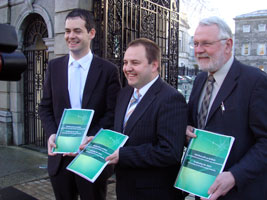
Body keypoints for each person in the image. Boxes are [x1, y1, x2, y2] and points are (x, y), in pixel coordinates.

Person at [39, 8, 121, 200]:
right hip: (60, 158)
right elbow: (45, 107)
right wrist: (51, 133)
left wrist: (93, 137)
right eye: (67, 31)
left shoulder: (108, 70)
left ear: (91, 33)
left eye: (77, 31)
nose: (70, 36)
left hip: (91, 157)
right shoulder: (54, 67)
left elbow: (112, 113)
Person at [186, 16, 267, 200]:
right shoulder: (199, 80)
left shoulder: (255, 82)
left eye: (206, 43)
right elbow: (195, 122)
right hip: (203, 189)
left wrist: (235, 176)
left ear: (228, 45)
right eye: (196, 43)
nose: (199, 50)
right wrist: (186, 128)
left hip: (241, 192)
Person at [106, 38, 187, 200]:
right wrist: (101, 142)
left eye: (135, 62)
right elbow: (123, 135)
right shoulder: (124, 94)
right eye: (125, 62)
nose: (127, 68)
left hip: (154, 193)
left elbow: (169, 152)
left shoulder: (171, 99)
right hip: (125, 189)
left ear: (154, 65)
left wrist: (124, 155)